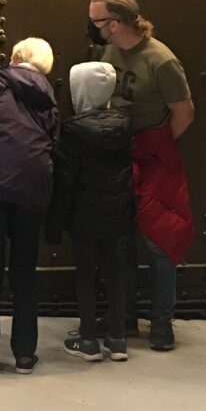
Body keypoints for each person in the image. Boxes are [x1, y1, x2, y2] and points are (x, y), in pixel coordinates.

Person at [87, 0, 194, 352]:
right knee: (120, 239)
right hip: (119, 150)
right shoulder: (110, 50)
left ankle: (162, 320)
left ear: (115, 24)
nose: (94, 28)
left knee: (161, 238)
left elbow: (184, 111)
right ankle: (126, 316)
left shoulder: (161, 60)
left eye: (98, 21)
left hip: (153, 154)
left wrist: (158, 146)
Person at [0, 38, 59, 374]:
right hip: (34, 184)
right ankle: (24, 354)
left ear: (16, 56)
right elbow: (54, 136)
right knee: (24, 270)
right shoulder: (47, 93)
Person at [45, 62, 135, 362]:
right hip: (118, 211)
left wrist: (54, 224)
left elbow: (65, 182)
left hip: (84, 215)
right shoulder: (123, 125)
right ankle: (118, 339)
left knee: (85, 274)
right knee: (116, 273)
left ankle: (88, 340)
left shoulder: (72, 131)